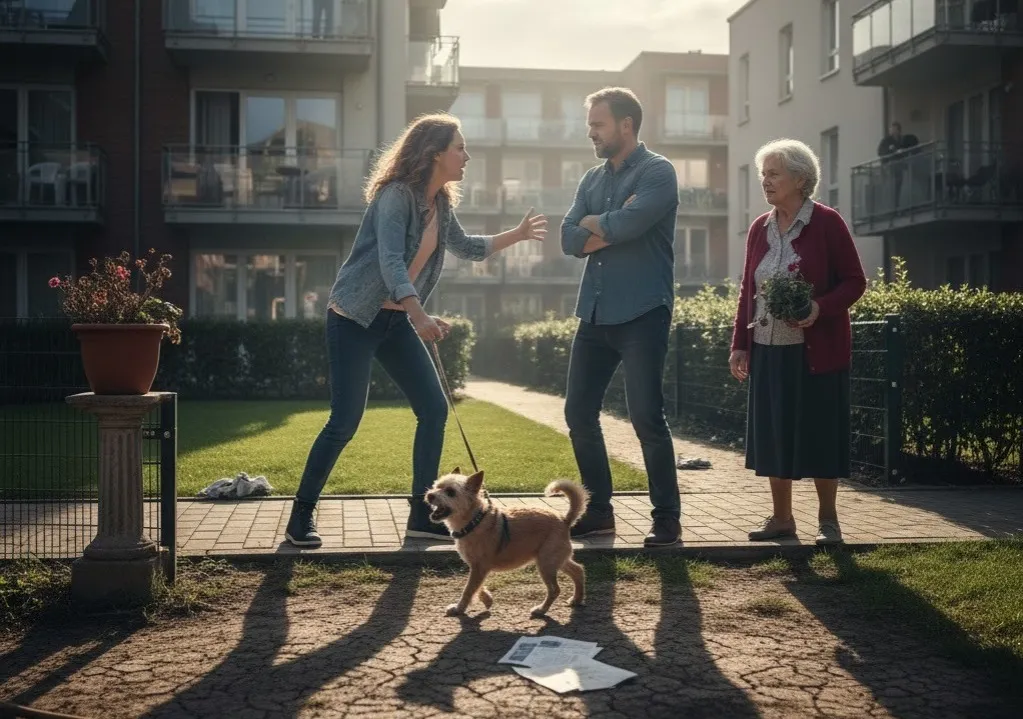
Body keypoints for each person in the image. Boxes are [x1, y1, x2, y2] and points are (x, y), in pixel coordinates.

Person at [286, 113, 548, 548]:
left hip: (393, 320)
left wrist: (516, 235)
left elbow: (465, 247)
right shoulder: (394, 197)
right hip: (353, 317)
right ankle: (301, 516)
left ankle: (421, 517)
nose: (467, 155)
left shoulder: (440, 205)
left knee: (434, 408)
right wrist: (419, 314)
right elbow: (391, 261)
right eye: (460, 148)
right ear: (435, 154)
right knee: (344, 421)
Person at [729, 138, 866, 546]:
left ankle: (828, 520)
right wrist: (740, 343)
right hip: (768, 348)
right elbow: (746, 291)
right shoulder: (760, 228)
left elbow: (855, 282)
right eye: (763, 174)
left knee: (821, 433)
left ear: (801, 179)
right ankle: (782, 519)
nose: (765, 182)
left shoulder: (827, 222)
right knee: (774, 434)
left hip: (817, 353)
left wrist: (818, 308)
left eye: (774, 174)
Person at [560, 87, 682, 547]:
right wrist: (605, 224)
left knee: (647, 417)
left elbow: (628, 225)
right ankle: (600, 512)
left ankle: (667, 518)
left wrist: (599, 223)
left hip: (642, 312)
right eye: (591, 124)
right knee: (578, 413)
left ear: (626, 125)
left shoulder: (658, 172)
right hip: (593, 313)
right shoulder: (591, 178)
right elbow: (568, 239)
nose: (591, 132)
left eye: (598, 124)